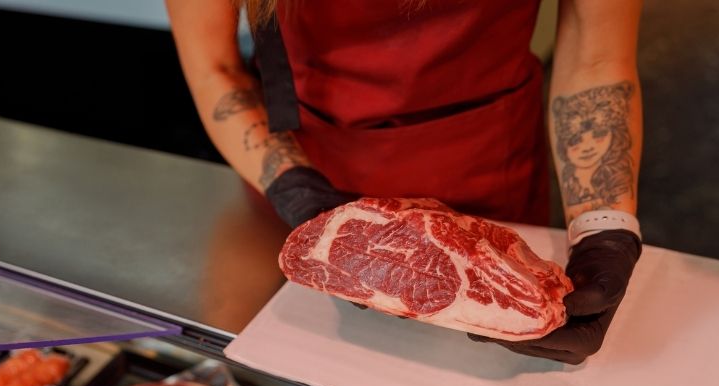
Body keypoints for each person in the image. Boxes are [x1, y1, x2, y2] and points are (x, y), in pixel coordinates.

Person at [166, 0, 644, 364]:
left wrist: (606, 230)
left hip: (485, 164)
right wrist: (301, 199)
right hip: (299, 160)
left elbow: (595, 59)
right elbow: (217, 68)